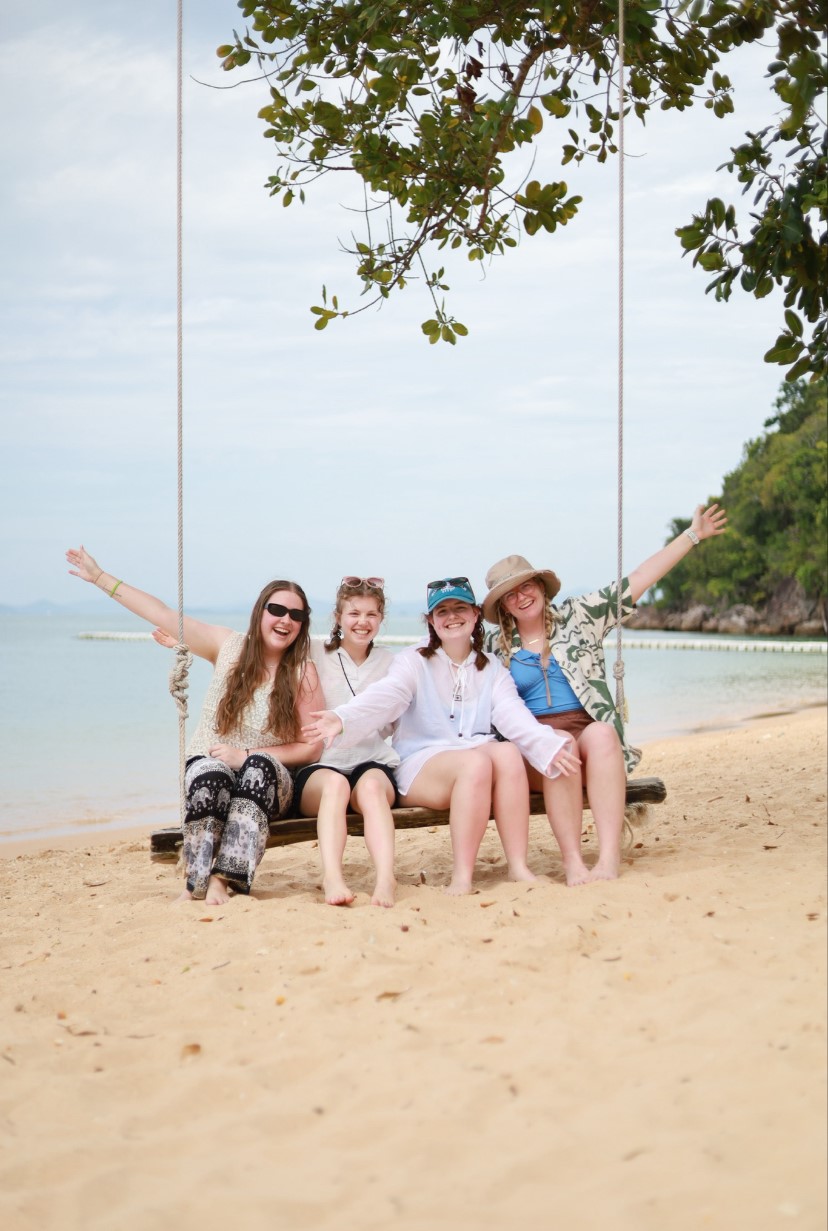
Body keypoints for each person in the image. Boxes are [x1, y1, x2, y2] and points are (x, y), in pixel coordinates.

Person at [481, 503, 728, 885]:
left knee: (602, 733)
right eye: (510, 594)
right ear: (502, 606)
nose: (521, 597)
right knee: (558, 740)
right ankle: (574, 863)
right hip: (533, 748)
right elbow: (446, 644)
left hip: (588, 737)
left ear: (540, 587)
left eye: (526, 586)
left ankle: (609, 858)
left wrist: (691, 536)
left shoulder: (581, 616)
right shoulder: (495, 647)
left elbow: (638, 579)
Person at [65, 545, 323, 904]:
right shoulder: (226, 645)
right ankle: (195, 882)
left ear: (303, 623)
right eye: (276, 610)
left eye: (296, 615)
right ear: (259, 612)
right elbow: (161, 612)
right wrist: (99, 578)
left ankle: (225, 880)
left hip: (267, 779)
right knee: (210, 773)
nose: (285, 620)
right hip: (212, 762)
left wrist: (245, 754)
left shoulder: (302, 672)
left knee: (258, 766)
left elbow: (312, 746)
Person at [302, 577, 581, 895]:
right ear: (431, 621)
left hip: (473, 752)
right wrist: (343, 718)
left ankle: (518, 866)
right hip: (423, 763)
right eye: (442, 611)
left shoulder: (491, 668)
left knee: (507, 753)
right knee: (474, 764)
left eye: (460, 608)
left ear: (475, 615)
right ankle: (462, 876)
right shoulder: (413, 660)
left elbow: (513, 715)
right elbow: (388, 695)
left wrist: (546, 744)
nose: (452, 617)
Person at [296, 577, 400, 908]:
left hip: (373, 761)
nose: (362, 622)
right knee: (336, 785)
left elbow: (399, 719)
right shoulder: (312, 652)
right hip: (322, 765)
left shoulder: (391, 664)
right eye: (354, 613)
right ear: (338, 617)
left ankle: (385, 879)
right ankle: (333, 877)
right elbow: (258, 647)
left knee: (369, 789)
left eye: (372, 614)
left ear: (381, 618)